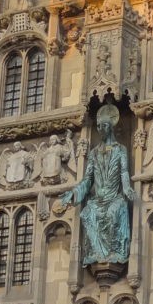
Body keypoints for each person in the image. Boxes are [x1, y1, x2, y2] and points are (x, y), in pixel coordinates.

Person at [60, 104, 134, 266]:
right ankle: (96, 254)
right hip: (98, 200)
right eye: (98, 126)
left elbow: (124, 172)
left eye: (104, 126)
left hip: (114, 197)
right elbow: (87, 179)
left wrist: (127, 188)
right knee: (88, 213)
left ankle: (115, 253)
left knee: (113, 213)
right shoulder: (93, 152)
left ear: (111, 127)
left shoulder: (120, 149)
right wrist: (74, 192)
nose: (100, 129)